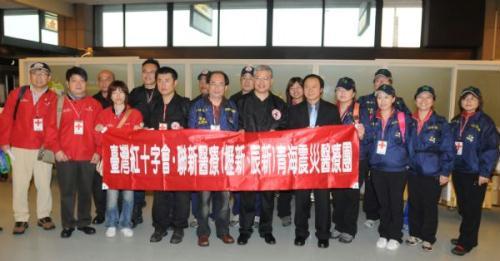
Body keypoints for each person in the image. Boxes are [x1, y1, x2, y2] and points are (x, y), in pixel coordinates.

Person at [0, 62, 57, 235]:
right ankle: (21, 218)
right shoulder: (17, 93)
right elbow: (6, 118)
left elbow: (53, 124)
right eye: (35, 73)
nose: (39, 77)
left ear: (49, 78)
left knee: (44, 183)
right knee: (20, 184)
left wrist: (47, 143)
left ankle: (44, 215)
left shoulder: (53, 97)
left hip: (43, 147)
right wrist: (4, 142)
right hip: (19, 147)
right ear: (30, 76)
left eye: (43, 74)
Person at [46, 66, 102, 238]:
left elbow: (100, 131)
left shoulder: (94, 104)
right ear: (68, 83)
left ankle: (84, 221)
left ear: (86, 83)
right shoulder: (58, 103)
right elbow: (50, 129)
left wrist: (99, 151)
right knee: (67, 192)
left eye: (82, 81)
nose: (78, 84)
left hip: (88, 156)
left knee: (86, 191)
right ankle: (68, 223)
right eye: (74, 80)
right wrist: (56, 150)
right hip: (65, 156)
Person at [236, 65, 287, 245]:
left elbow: (285, 128)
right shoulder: (241, 102)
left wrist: (277, 133)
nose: (261, 82)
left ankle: (266, 230)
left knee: (267, 197)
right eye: (258, 78)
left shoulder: (279, 104)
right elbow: (235, 125)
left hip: (269, 157)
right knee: (247, 197)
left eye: (266, 78)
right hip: (248, 156)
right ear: (253, 79)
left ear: (271, 81)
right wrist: (240, 131)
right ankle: (245, 230)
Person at [289, 74, 340, 249]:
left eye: (314, 86)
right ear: (303, 90)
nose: (310, 90)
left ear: (321, 90)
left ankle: (323, 234)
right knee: (301, 199)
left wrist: (322, 134)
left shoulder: (332, 110)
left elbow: (338, 135)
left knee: (323, 200)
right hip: (302, 160)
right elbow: (288, 136)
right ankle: (301, 233)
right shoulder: (293, 110)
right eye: (307, 86)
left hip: (322, 161)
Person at [188, 71, 238, 247]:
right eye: (213, 83)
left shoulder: (232, 106)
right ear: (207, 86)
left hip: (225, 161)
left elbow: (235, 134)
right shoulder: (196, 106)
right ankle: (203, 233)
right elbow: (191, 134)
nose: (217, 87)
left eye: (221, 84)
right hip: (204, 160)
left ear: (226, 87)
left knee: (224, 200)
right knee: (203, 200)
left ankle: (223, 232)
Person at [449, 86, 499, 256]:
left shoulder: (485, 122)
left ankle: (465, 242)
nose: (468, 102)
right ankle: (471, 238)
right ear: (460, 101)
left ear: (479, 102)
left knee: (472, 208)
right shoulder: (456, 120)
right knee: (463, 206)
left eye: (472, 98)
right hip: (458, 170)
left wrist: (485, 172)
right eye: (465, 98)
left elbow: (491, 149)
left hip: (475, 171)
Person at [358, 68, 410, 229]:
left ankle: (393, 226)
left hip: (393, 158)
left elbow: (408, 133)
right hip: (369, 151)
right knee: (373, 186)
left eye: (384, 80)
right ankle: (373, 215)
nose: (380, 83)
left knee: (393, 195)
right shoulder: (364, 100)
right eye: (377, 80)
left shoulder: (400, 105)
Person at [406, 85, 454, 252]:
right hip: (412, 170)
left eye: (428, 97)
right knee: (414, 203)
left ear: (433, 101)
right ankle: (415, 233)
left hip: (432, 171)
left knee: (429, 205)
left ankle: (428, 237)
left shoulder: (441, 122)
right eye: (420, 97)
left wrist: (445, 171)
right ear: (415, 100)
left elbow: (448, 148)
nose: (424, 100)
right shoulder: (409, 120)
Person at [364, 84, 412, 251]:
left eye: (386, 97)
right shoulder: (373, 119)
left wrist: (409, 164)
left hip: (397, 169)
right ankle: (384, 233)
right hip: (377, 168)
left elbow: (411, 143)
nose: (382, 101)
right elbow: (369, 142)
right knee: (383, 203)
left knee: (395, 203)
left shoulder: (403, 118)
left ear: (393, 99)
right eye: (379, 97)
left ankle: (395, 235)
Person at [94, 80, 143, 238]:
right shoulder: (103, 114)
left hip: (129, 160)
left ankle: (125, 223)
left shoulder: (135, 114)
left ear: (126, 95)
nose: (118, 95)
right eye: (114, 92)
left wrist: (138, 131)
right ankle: (111, 223)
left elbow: (139, 139)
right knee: (112, 195)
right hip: (111, 160)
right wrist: (100, 132)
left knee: (128, 195)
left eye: (121, 92)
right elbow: (98, 140)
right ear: (110, 95)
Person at [148, 66, 191, 244]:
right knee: (160, 193)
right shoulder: (154, 105)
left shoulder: (185, 104)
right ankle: (160, 227)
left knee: (181, 194)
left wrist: (184, 131)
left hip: (180, 157)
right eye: (160, 80)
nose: (163, 84)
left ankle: (179, 227)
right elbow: (148, 129)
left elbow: (194, 131)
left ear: (175, 83)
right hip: (160, 157)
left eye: (167, 80)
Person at [331, 77, 366, 244]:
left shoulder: (362, 111)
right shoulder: (330, 110)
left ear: (354, 92)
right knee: (337, 195)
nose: (342, 93)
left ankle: (349, 228)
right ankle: (338, 224)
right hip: (335, 158)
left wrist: (363, 135)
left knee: (351, 195)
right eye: (339, 89)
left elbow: (372, 135)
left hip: (356, 159)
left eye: (346, 90)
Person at [128, 58, 160, 227]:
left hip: (159, 143)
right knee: (138, 177)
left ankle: (161, 216)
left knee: (159, 177)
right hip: (138, 143)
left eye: (152, 71)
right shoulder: (134, 93)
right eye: (145, 71)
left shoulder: (163, 91)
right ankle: (136, 212)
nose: (148, 75)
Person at [229, 65, 256, 227]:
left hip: (256, 148)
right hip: (238, 147)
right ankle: (237, 212)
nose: (247, 82)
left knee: (256, 182)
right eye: (244, 79)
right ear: (240, 81)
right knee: (238, 182)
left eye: (250, 79)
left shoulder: (260, 98)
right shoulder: (233, 99)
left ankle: (257, 214)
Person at [277, 76, 304, 227]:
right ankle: (284, 213)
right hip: (287, 151)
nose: (295, 90)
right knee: (285, 185)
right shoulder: (284, 108)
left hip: (304, 151)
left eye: (298, 87)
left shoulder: (310, 107)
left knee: (302, 186)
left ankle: (302, 213)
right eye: (292, 88)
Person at [91, 69, 115, 225]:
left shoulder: (120, 100)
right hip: (98, 149)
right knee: (98, 184)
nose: (104, 82)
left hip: (116, 150)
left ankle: (115, 212)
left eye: (108, 79)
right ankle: (100, 213)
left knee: (116, 183)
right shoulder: (92, 102)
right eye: (101, 79)